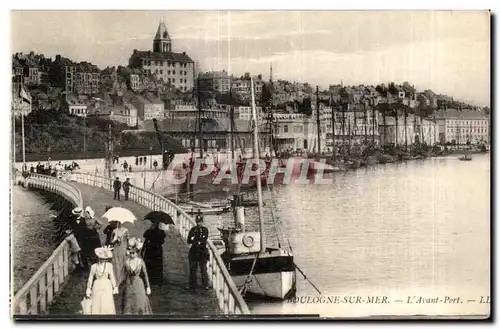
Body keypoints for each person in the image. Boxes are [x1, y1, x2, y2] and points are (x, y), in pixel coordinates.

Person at [122, 238, 152, 315]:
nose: (132, 255)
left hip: (139, 284)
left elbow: (145, 275)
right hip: (129, 284)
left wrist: (148, 287)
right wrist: (116, 286)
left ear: (137, 253)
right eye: (131, 253)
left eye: (134, 253)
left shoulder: (140, 262)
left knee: (139, 302)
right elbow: (122, 274)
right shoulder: (126, 262)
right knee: (129, 302)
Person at [85, 246, 118, 315]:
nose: (103, 260)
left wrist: (114, 287)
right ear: (98, 258)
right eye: (101, 259)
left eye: (104, 259)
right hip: (97, 285)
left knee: (106, 302)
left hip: (107, 285)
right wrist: (88, 288)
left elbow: (112, 277)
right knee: (97, 302)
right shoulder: (94, 266)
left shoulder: (109, 265)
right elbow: (90, 278)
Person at [186, 215, 210, 291]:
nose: (199, 223)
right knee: (193, 269)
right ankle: (192, 285)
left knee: (203, 269)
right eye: (197, 222)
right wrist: (197, 241)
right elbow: (189, 240)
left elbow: (204, 239)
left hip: (202, 252)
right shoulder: (193, 229)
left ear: (202, 222)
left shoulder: (205, 229)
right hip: (194, 252)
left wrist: (195, 240)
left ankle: (205, 284)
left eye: (200, 222)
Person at [143, 222, 166, 286]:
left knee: (149, 264)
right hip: (158, 249)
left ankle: (149, 279)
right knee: (157, 265)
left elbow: (145, 239)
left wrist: (143, 249)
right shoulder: (161, 232)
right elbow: (162, 241)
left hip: (150, 248)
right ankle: (157, 280)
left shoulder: (149, 231)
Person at [110, 221, 129, 288]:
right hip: (116, 249)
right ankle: (116, 280)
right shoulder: (114, 231)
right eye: (118, 222)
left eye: (120, 222)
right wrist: (115, 239)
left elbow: (128, 240)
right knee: (116, 264)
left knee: (122, 263)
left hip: (123, 249)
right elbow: (111, 242)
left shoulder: (126, 230)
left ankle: (123, 279)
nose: (119, 223)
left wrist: (127, 249)